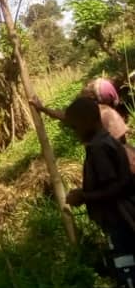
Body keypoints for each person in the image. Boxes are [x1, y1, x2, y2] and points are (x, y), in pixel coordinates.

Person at [62, 96, 135, 255]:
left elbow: (116, 189)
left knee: (127, 266)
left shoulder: (99, 148)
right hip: (124, 218)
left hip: (122, 220)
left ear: (87, 121)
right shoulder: (107, 141)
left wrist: (83, 196)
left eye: (75, 127)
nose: (75, 133)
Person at [30, 77, 128, 143]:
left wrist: (42, 108)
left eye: (89, 88)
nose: (85, 88)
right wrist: (42, 108)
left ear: (93, 97)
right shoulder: (111, 114)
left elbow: (65, 116)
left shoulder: (91, 114)